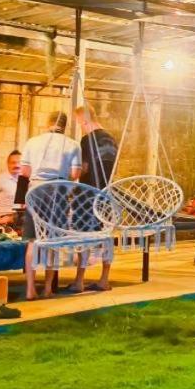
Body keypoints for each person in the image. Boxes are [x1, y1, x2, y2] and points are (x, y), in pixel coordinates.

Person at [17, 111, 82, 300]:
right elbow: (75, 174)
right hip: (58, 190)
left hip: (36, 190)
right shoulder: (73, 144)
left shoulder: (32, 142)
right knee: (52, 241)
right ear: (65, 125)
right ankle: (47, 289)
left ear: (48, 123)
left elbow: (25, 171)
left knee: (32, 240)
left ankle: (30, 289)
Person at [74, 105, 118, 292]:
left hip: (87, 195)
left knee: (83, 237)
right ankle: (104, 279)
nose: (80, 127)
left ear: (84, 120)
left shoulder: (87, 140)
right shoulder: (112, 140)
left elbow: (83, 168)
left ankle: (79, 281)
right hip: (106, 195)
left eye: (79, 123)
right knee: (106, 237)